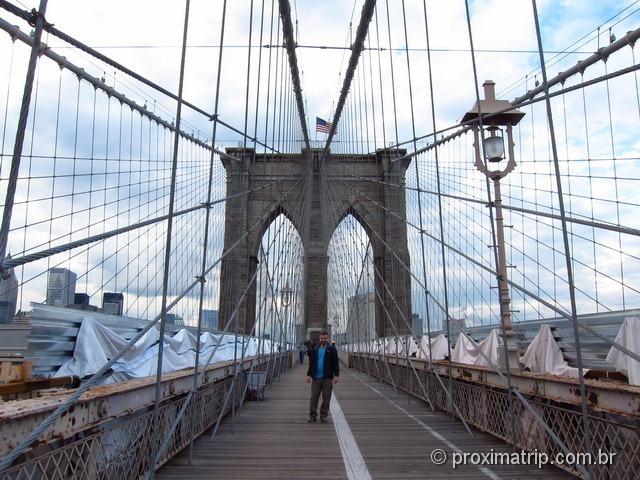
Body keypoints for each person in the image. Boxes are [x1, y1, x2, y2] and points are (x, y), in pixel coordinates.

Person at [306, 331, 339, 423]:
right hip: (316, 377)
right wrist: (308, 375)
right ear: (319, 339)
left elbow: (336, 363)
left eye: (325, 338)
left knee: (326, 397)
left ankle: (324, 415)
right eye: (322, 338)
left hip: (327, 378)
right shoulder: (315, 349)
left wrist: (336, 375)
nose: (323, 340)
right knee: (314, 397)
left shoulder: (332, 349)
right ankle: (312, 416)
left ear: (327, 338)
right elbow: (311, 363)